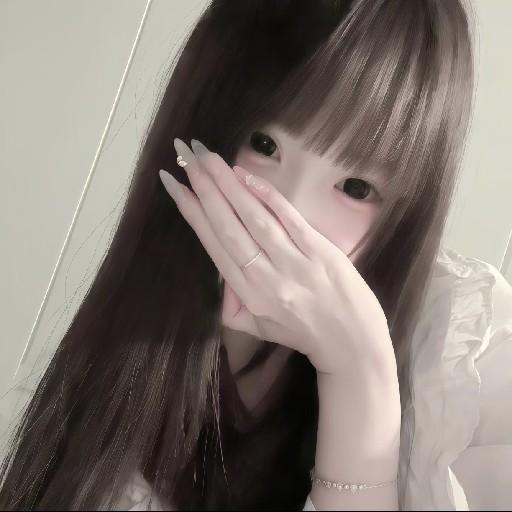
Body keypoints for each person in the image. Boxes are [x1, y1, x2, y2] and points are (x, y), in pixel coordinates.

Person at [1, 0, 510, 509]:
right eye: (264, 145)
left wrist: (360, 373)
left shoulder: (459, 361)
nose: (286, 215)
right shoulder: (128, 375)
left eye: (356, 187)